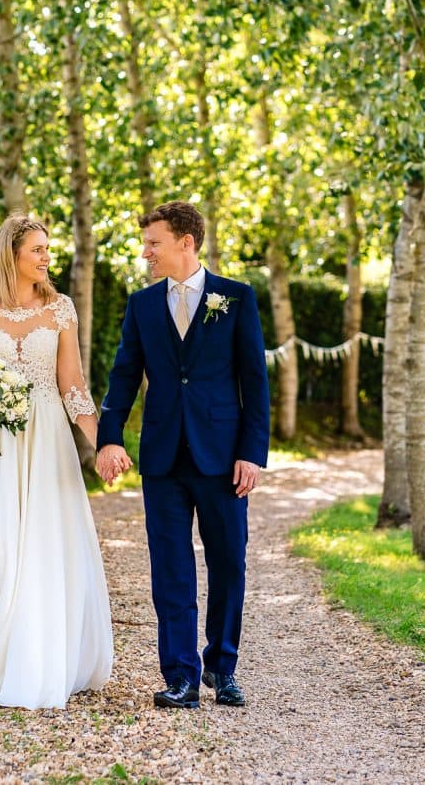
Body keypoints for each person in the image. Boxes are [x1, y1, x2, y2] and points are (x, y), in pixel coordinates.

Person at [0, 214, 113, 709]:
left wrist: (102, 441)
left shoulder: (61, 309)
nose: (46, 257)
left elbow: (72, 385)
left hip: (47, 439)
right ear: (10, 256)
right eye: (37, 249)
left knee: (43, 542)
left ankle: (38, 659)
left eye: (46, 248)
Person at [96, 200, 269, 709]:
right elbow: (123, 377)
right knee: (170, 569)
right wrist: (110, 437)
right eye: (146, 243)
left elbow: (255, 384)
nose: (146, 252)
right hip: (163, 460)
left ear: (185, 243)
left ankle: (222, 666)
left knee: (228, 565)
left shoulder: (236, 299)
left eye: (154, 243)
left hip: (223, 458)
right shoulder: (142, 306)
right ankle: (181, 676)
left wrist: (251, 453)